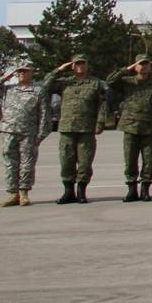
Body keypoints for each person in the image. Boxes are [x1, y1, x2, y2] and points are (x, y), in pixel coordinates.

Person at [43, 55, 107, 204]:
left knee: (85, 163)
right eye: (76, 63)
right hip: (67, 128)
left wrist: (100, 123)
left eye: (82, 63)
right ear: (72, 66)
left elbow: (103, 104)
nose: (79, 66)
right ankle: (68, 191)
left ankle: (81, 191)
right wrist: (59, 70)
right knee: (66, 161)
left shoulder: (96, 83)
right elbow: (46, 86)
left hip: (86, 128)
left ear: (87, 65)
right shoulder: (65, 82)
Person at [0, 59, 49, 207]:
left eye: (25, 71)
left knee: (27, 163)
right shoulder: (8, 88)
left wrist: (41, 135)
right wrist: (5, 77)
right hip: (9, 130)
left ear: (31, 72)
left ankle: (23, 193)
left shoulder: (38, 90)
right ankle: (12, 193)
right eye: (19, 71)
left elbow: (44, 114)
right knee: (10, 162)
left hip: (28, 132)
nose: (21, 73)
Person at [106, 58, 152, 202]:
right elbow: (110, 81)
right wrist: (126, 69)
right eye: (141, 64)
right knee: (130, 160)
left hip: (149, 127)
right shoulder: (127, 82)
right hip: (130, 126)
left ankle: (145, 190)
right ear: (135, 66)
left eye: (147, 64)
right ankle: (132, 190)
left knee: (149, 160)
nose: (144, 67)